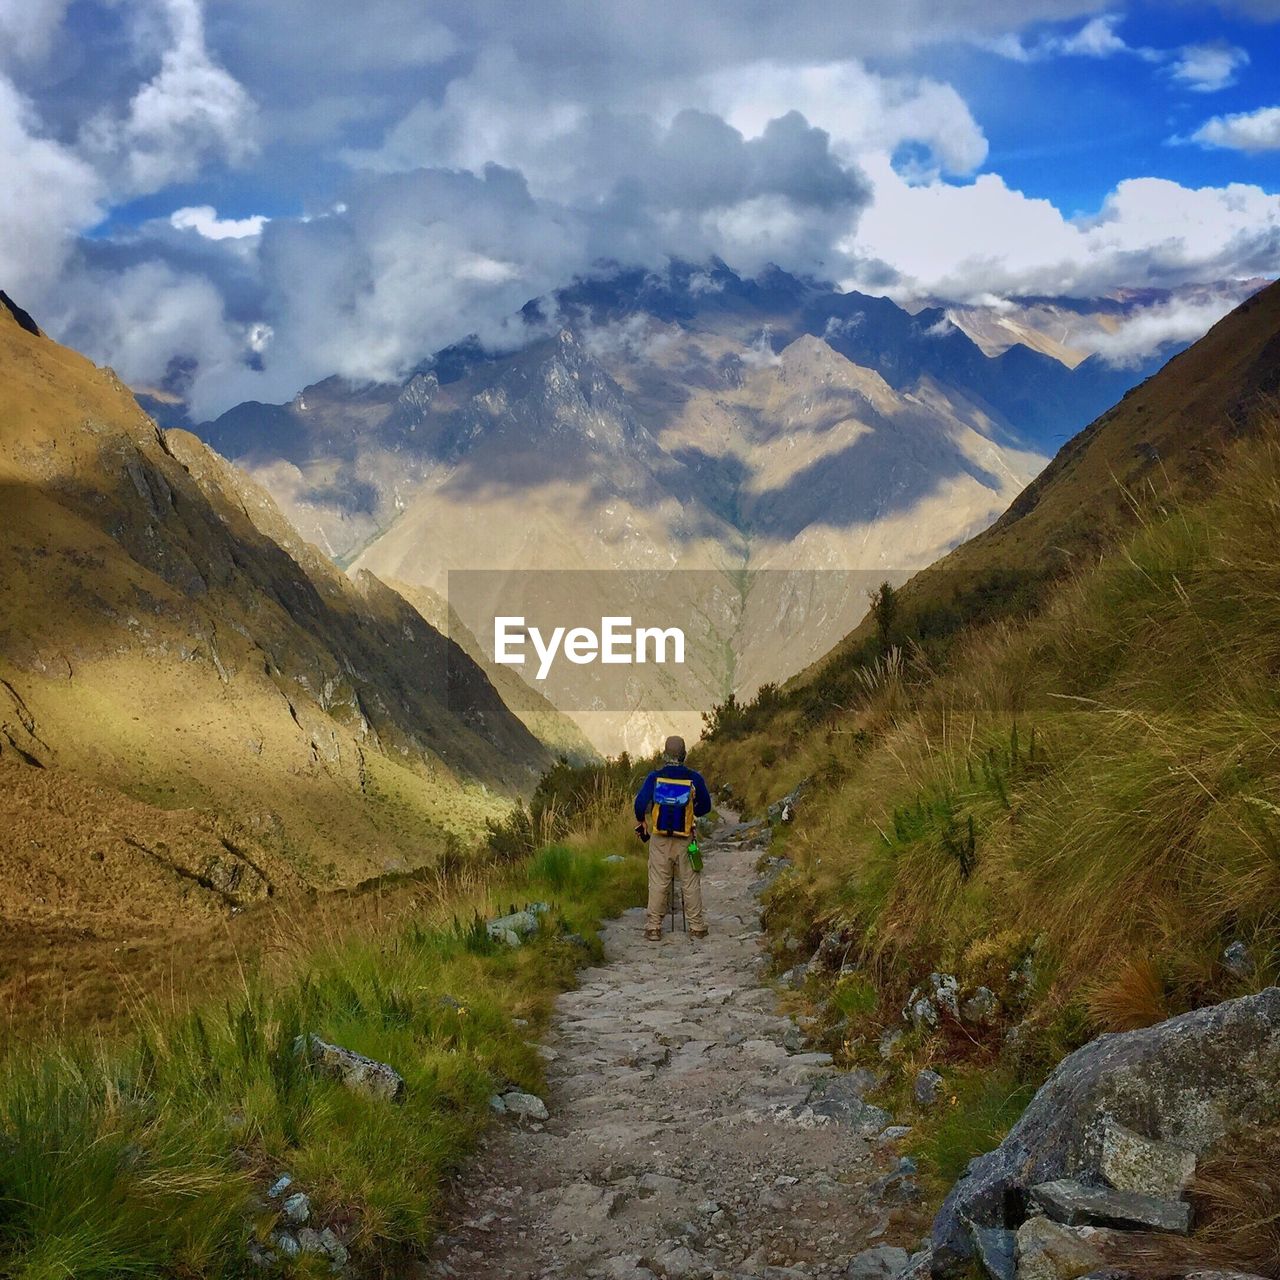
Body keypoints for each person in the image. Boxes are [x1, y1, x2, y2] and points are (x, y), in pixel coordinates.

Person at [634, 735, 712, 941]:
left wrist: (642, 820)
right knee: (690, 881)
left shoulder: (654, 777)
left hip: (660, 838)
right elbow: (706, 806)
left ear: (664, 754)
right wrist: (690, 811)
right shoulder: (694, 778)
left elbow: (639, 803)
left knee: (659, 881)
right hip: (686, 837)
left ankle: (653, 927)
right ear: (684, 755)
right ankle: (696, 927)